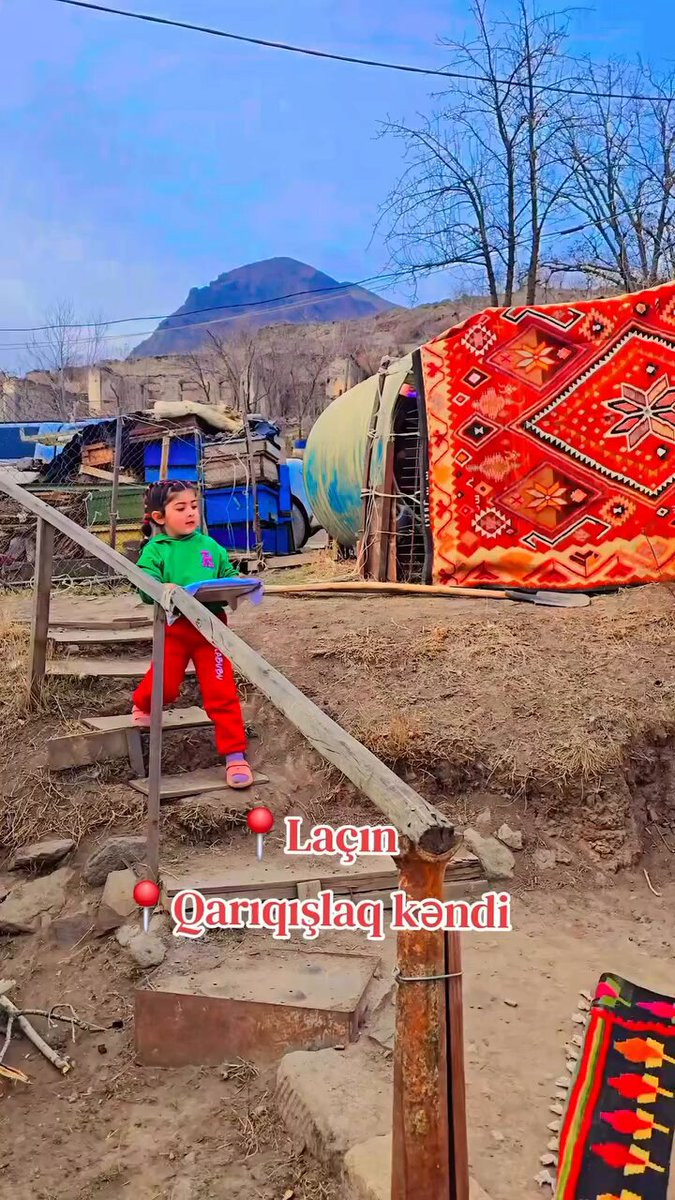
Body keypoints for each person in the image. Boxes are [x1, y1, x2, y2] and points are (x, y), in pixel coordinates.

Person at [131, 479, 252, 789]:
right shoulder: (156, 550)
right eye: (181, 508)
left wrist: (239, 584)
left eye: (194, 507)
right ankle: (142, 702)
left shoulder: (209, 546)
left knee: (221, 691)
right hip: (176, 629)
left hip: (212, 630)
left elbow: (227, 574)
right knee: (166, 685)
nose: (190, 513)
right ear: (159, 517)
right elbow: (145, 585)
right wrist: (164, 588)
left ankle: (235, 755)